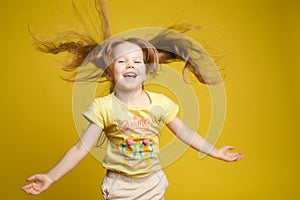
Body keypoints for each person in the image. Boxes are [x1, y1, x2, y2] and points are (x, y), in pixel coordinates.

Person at [21, 36, 243, 199]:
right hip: (120, 187)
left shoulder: (160, 103)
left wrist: (216, 152)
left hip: (153, 183)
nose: (130, 64)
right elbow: (80, 148)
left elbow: (186, 133)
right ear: (109, 73)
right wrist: (51, 177)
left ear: (146, 71)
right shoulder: (103, 107)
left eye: (137, 61)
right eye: (121, 61)